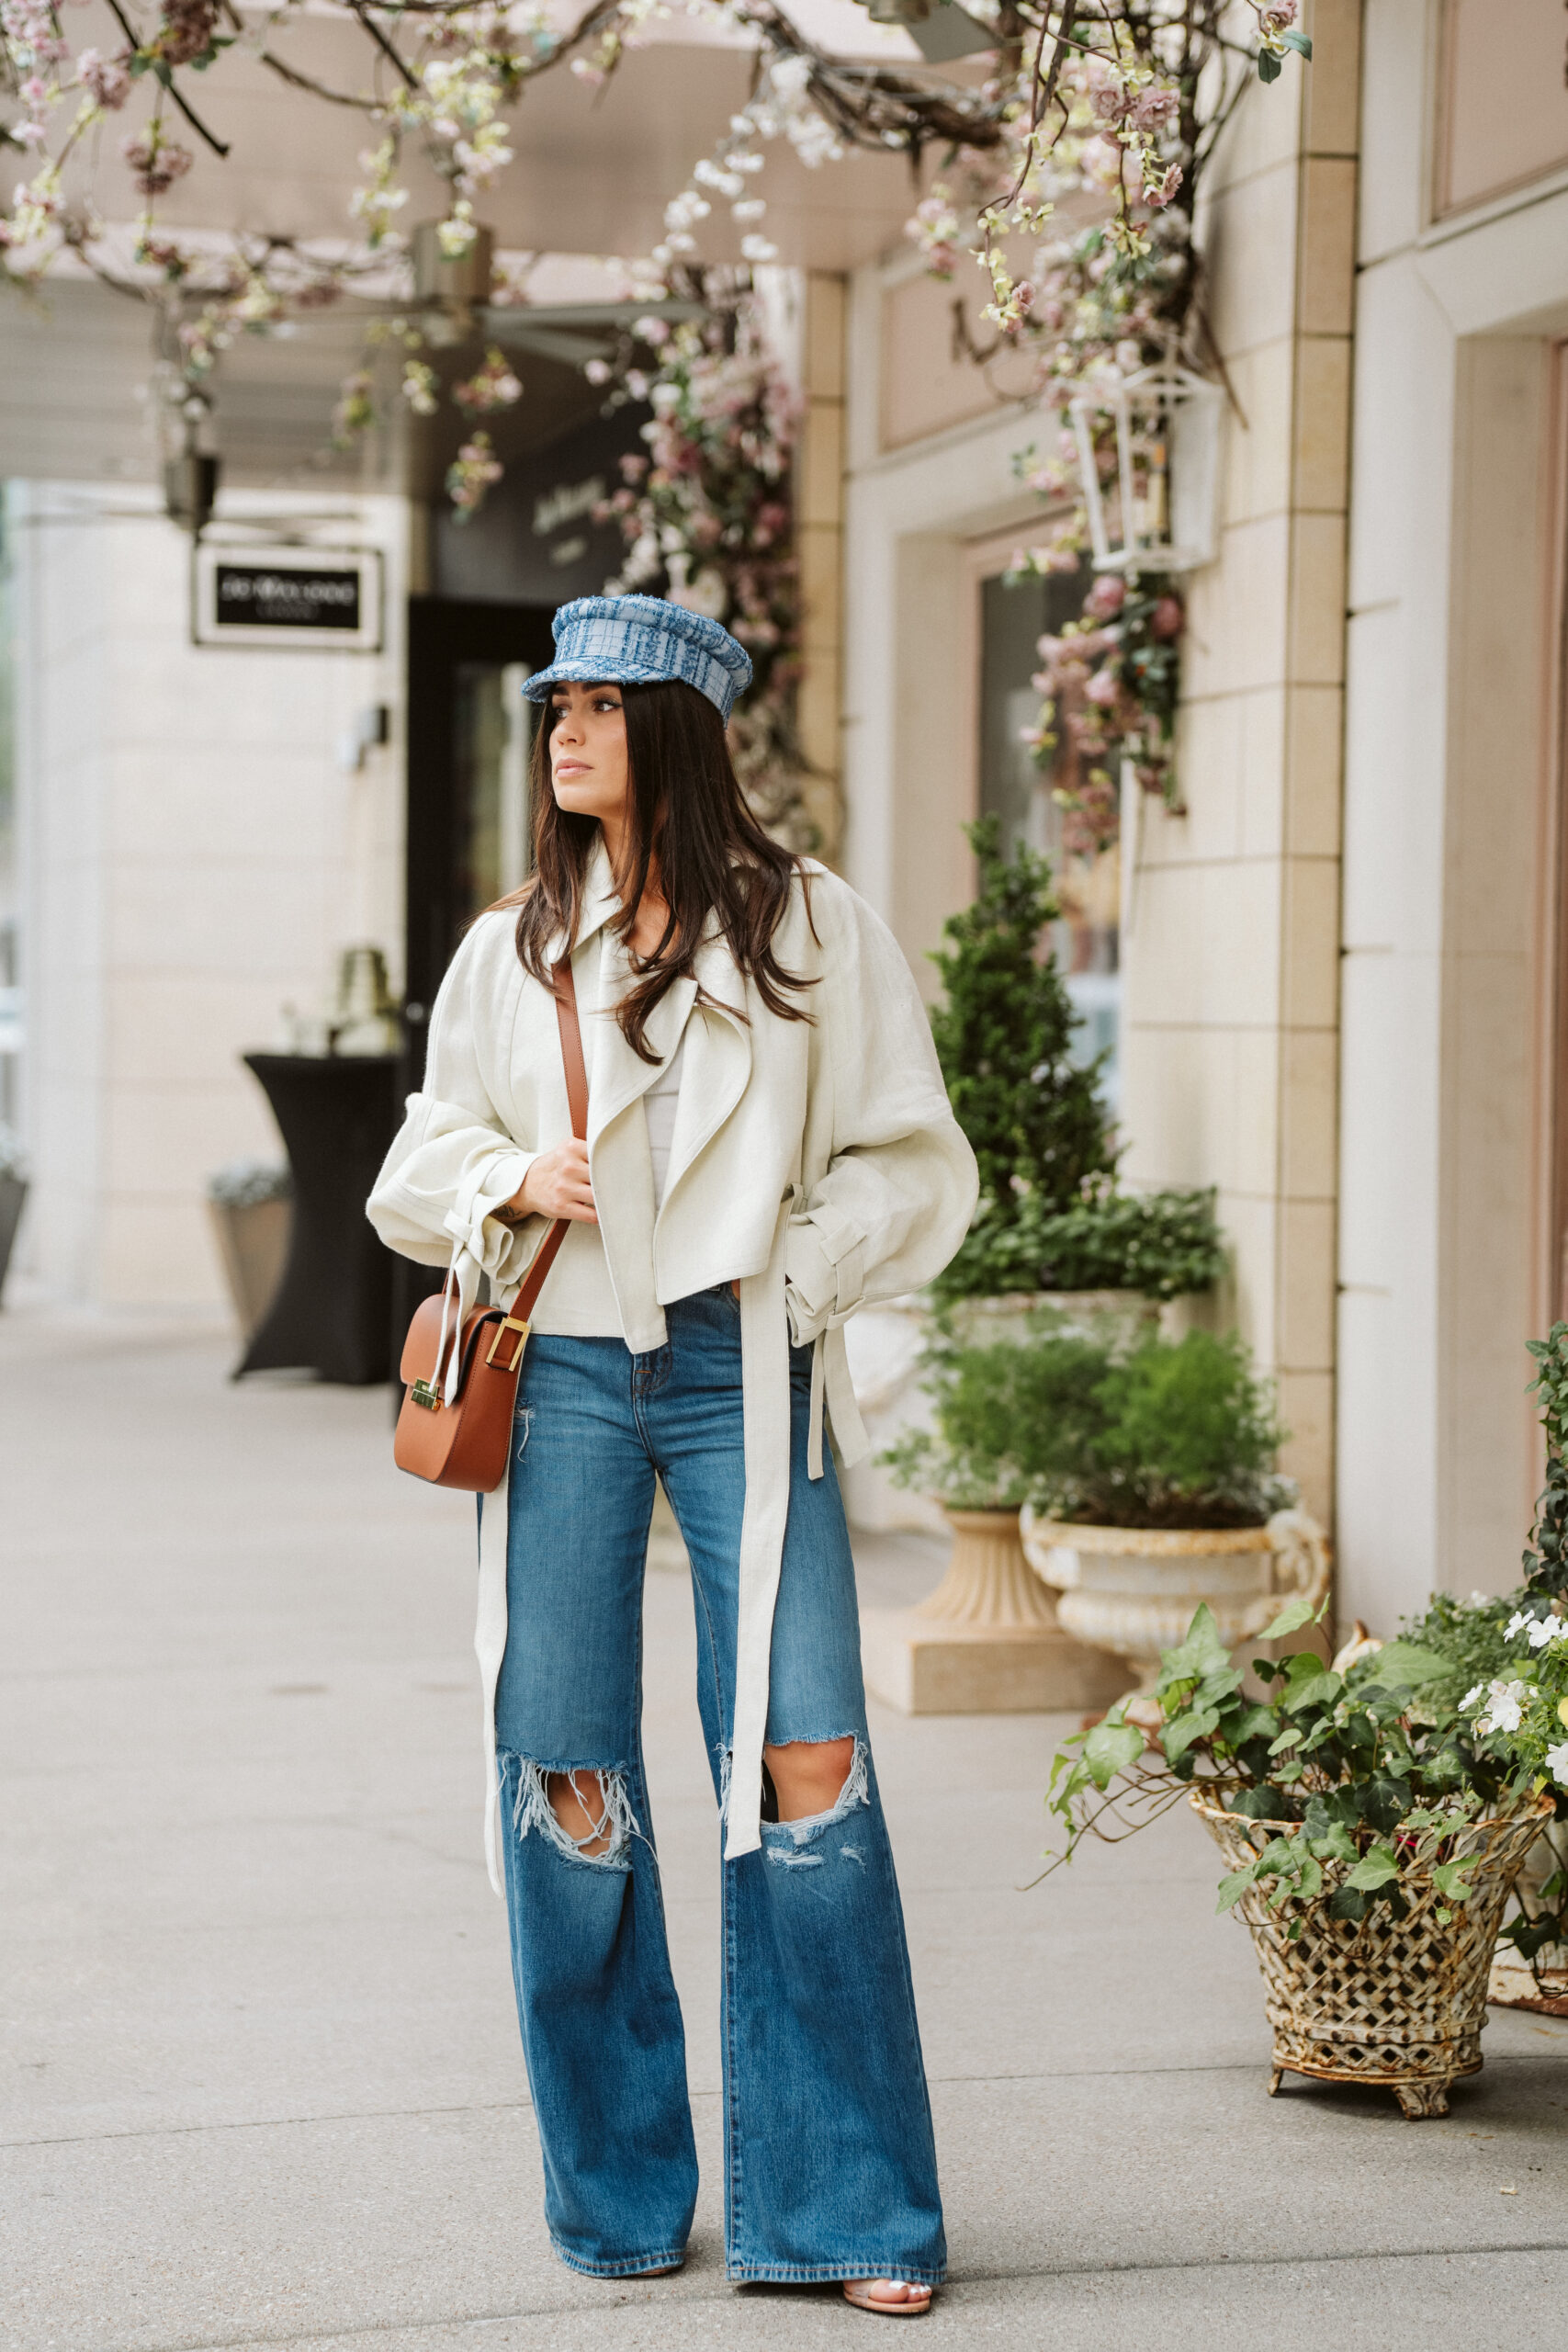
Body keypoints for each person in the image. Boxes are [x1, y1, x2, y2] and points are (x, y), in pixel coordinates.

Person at [367, 594, 977, 2315]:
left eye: (600, 707)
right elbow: (414, 1169)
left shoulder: (808, 930)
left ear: (680, 732)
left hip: (740, 1369)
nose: (562, 730)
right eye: (553, 703)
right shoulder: (512, 948)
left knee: (808, 1760)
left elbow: (920, 1162)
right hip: (558, 1375)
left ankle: (849, 2210)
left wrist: (803, 1266)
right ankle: (621, 2187)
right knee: (564, 1774)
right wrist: (509, 1180)